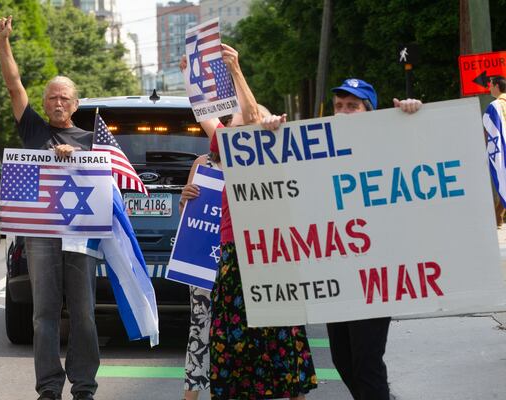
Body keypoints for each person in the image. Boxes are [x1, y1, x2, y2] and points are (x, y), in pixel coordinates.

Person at [264, 78, 422, 400]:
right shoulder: (318, 154)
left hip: (376, 275)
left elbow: (420, 157)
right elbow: (279, 178)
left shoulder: (385, 145)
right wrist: (269, 132)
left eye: (353, 106)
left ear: (370, 112)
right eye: (339, 106)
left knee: (366, 363)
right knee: (343, 361)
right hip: (336, 274)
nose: (343, 112)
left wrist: (411, 116)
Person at [182, 44, 318, 400]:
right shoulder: (226, 149)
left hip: (271, 257)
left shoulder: (268, 151)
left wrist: (236, 70)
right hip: (233, 258)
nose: (238, 127)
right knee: (235, 344)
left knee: (282, 342)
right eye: (232, 125)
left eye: (246, 119)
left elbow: (254, 119)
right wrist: (191, 76)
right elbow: (206, 115)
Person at [0, 16, 99, 400]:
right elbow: (13, 85)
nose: (57, 102)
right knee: (44, 317)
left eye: (64, 97)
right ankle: (49, 389)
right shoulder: (35, 130)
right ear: (44, 103)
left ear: (76, 103)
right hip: (40, 237)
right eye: (52, 97)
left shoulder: (92, 139)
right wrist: (4, 43)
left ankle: (84, 387)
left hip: (80, 238)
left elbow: (112, 182)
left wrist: (78, 155)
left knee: (85, 315)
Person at [179, 148, 222, 400]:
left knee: (229, 333)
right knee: (199, 328)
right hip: (202, 257)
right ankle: (190, 397)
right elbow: (187, 210)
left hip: (240, 261)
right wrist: (185, 198)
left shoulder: (255, 163)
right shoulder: (203, 163)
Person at [483, 75, 506, 226]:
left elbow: (488, 130)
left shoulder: (495, 106)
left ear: (496, 85)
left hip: (503, 153)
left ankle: (496, 220)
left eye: (490, 84)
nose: (489, 87)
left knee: (503, 184)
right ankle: (497, 219)